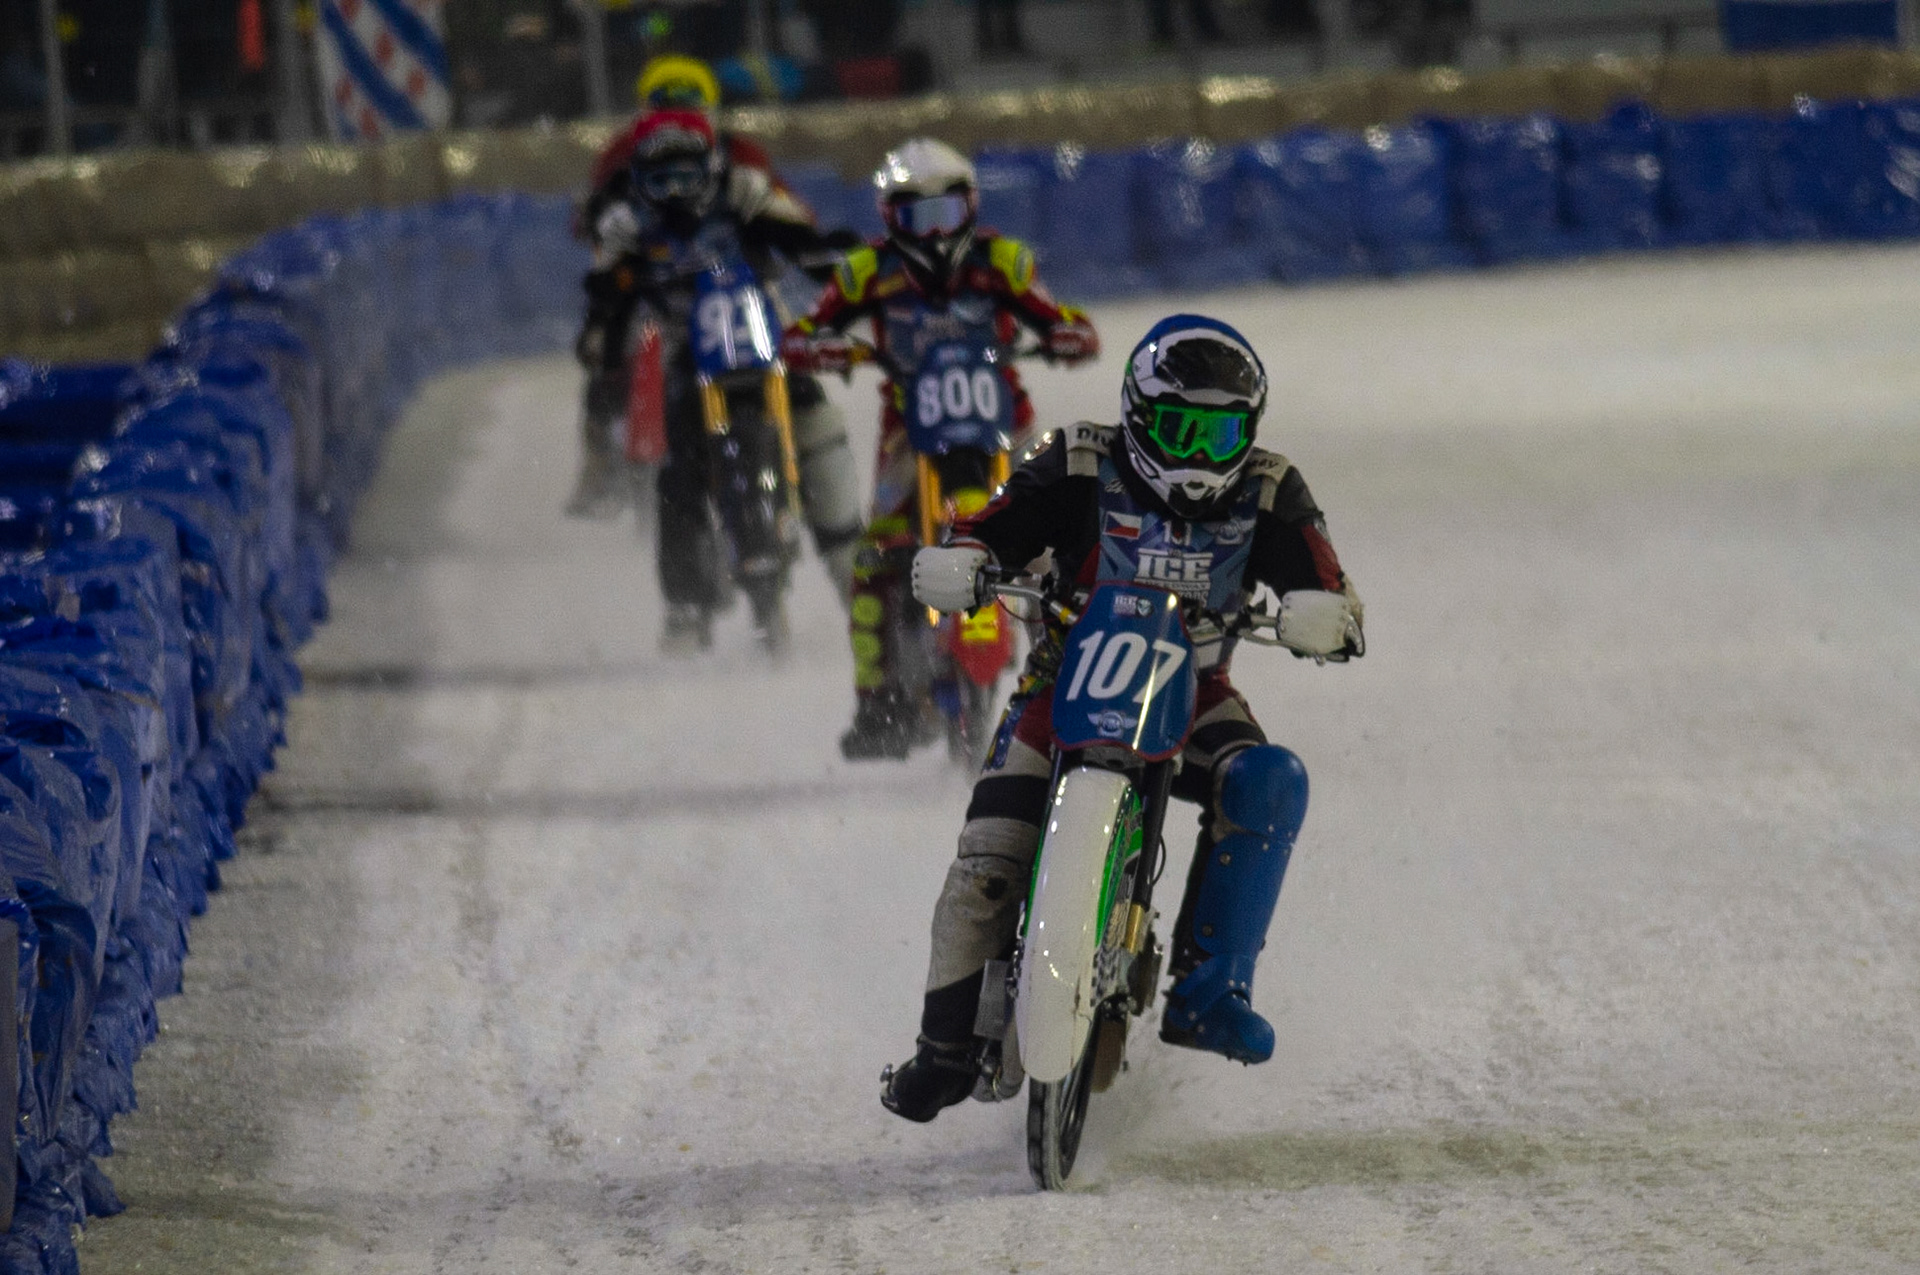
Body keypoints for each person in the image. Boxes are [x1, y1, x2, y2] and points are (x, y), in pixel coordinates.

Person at [878, 315, 1365, 1122]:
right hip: (1064, 676)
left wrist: (1330, 614)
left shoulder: (1273, 487)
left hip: (1199, 687)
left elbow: (1323, 576)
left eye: (1222, 433)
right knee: (989, 858)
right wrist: (964, 559)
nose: (1201, 456)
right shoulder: (1074, 459)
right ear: (1138, 416)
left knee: (1269, 781)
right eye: (1181, 429)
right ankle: (944, 1051)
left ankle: (1210, 991)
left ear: (1252, 428)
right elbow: (985, 526)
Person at [780, 138, 1100, 760]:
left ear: (970, 208)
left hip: (1007, 425)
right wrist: (825, 349)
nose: (933, 233)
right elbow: (804, 331)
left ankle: (1071, 688)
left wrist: (1068, 334)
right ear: (889, 217)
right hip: (909, 433)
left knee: (1062, 550)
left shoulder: (1003, 262)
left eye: (945, 216)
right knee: (875, 559)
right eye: (916, 217)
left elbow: (1061, 317)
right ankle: (877, 703)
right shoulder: (865, 271)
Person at [569, 52, 863, 601]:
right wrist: (602, 324)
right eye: (662, 175)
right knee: (675, 465)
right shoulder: (625, 211)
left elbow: (799, 231)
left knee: (815, 418)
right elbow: (601, 279)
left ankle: (853, 573)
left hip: (757, 321)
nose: (678, 188)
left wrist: (834, 263)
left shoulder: (743, 182)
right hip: (682, 338)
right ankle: (684, 604)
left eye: (689, 170)